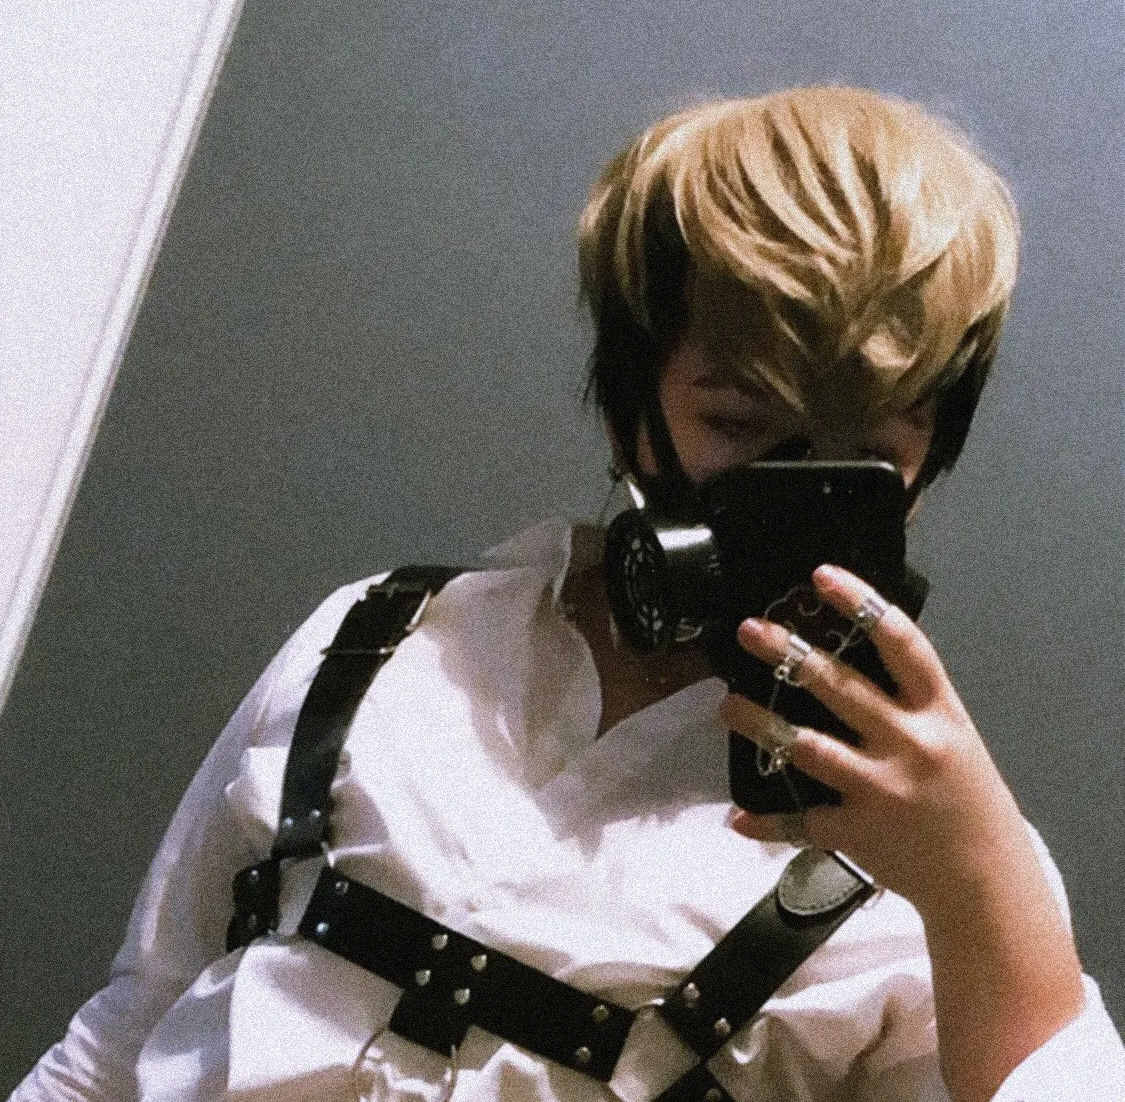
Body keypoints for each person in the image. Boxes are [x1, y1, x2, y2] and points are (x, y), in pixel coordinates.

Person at [12, 85, 1124, 1102]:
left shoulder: (934, 857)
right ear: (630, 402)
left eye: (863, 455)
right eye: (737, 422)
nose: (786, 490)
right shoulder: (386, 639)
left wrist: (980, 882)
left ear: (931, 459)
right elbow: (128, 1035)